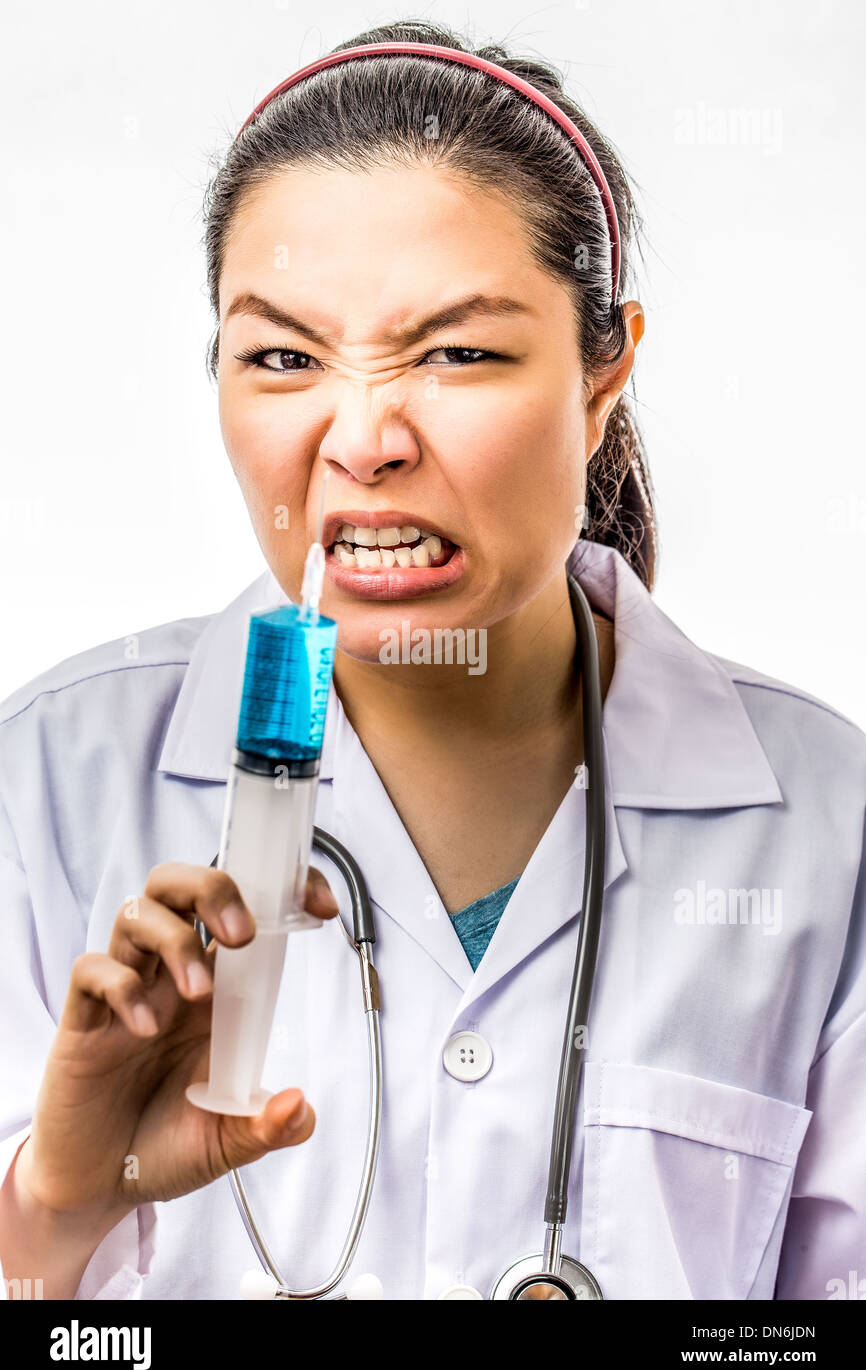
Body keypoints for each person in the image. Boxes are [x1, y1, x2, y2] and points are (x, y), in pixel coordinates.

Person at [1, 19, 863, 1302]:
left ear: (601, 368)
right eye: (284, 357)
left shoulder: (824, 828)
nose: (362, 438)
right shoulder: (48, 782)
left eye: (458, 352)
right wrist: (55, 1209)